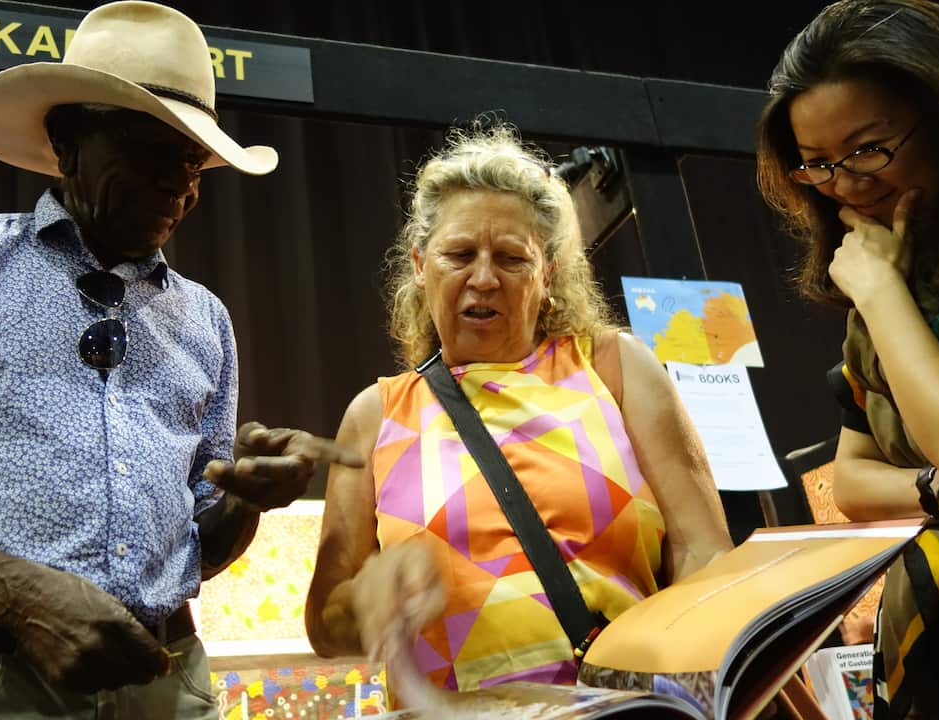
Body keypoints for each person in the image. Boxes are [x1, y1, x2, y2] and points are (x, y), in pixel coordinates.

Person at [0, 3, 360, 718]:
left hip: (163, 678)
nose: (177, 187)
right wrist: (19, 596)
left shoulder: (205, 319)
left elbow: (195, 553)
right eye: (148, 153)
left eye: (192, 164)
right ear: (67, 140)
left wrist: (244, 499)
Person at [305, 124, 732, 695]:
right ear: (418, 264)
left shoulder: (616, 368)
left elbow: (703, 550)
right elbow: (324, 625)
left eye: (511, 257)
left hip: (623, 709)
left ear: (548, 273)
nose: (483, 278)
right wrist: (365, 599)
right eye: (458, 254)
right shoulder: (375, 415)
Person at [755, 1, 939, 717]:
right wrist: (938, 491)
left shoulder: (883, 289)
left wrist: (882, 293)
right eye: (819, 165)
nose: (849, 186)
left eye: (869, 148)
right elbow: (853, 479)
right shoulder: (891, 290)